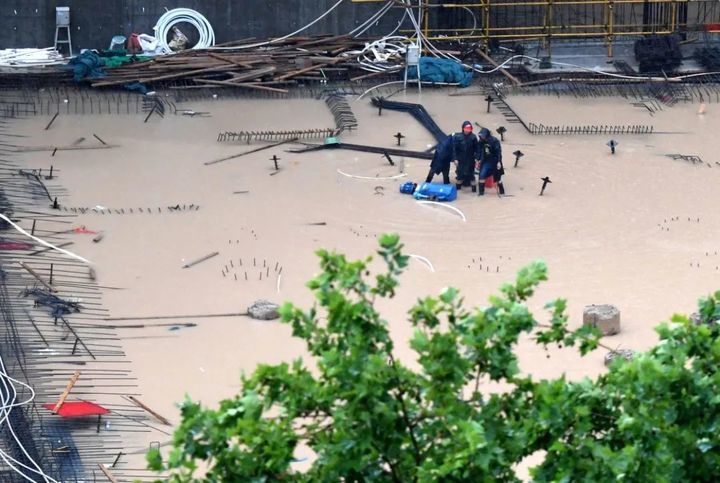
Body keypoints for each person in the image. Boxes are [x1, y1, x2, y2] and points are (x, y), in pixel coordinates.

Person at [476, 127, 505, 196]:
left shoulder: (495, 141)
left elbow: (498, 152)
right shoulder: (481, 141)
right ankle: (481, 193)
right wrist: (478, 159)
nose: (482, 137)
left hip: (495, 161)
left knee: (498, 179)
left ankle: (502, 192)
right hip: (486, 161)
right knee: (481, 175)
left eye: (483, 135)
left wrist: (498, 162)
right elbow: (479, 151)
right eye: (481, 136)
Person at [452, 121, 479, 192]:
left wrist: (477, 158)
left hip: (470, 159)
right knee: (460, 175)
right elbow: (454, 149)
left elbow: (477, 149)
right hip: (461, 159)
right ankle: (457, 190)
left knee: (471, 175)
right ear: (463, 128)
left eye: (469, 129)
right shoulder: (458, 137)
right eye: (466, 128)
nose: (467, 130)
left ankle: (474, 191)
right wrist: (455, 159)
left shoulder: (473, 137)